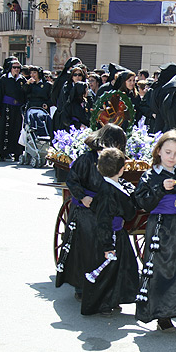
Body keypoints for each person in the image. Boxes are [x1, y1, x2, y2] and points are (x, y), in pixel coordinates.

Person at [135, 129, 176, 334]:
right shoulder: (150, 175)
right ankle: (162, 315)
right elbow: (143, 202)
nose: (172, 157)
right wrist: (160, 189)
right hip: (161, 228)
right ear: (159, 151)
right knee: (162, 271)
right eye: (168, 152)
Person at [55, 124, 128, 301]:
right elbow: (72, 180)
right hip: (86, 209)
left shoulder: (117, 161)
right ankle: (81, 286)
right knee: (87, 244)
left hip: (107, 209)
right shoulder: (86, 159)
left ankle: (109, 287)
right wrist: (82, 197)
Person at [81, 148, 138, 316]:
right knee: (108, 272)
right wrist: (107, 246)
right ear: (121, 170)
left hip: (117, 235)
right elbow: (105, 221)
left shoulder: (111, 186)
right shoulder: (108, 191)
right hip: (110, 237)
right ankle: (104, 303)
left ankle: (114, 299)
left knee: (121, 269)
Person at [0, 60, 26, 161]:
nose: (16, 70)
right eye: (14, 67)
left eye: (18, 68)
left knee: (16, 130)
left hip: (17, 108)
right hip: (6, 107)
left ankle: (17, 153)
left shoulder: (22, 80)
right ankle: (3, 153)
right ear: (10, 68)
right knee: (4, 130)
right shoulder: (4, 78)